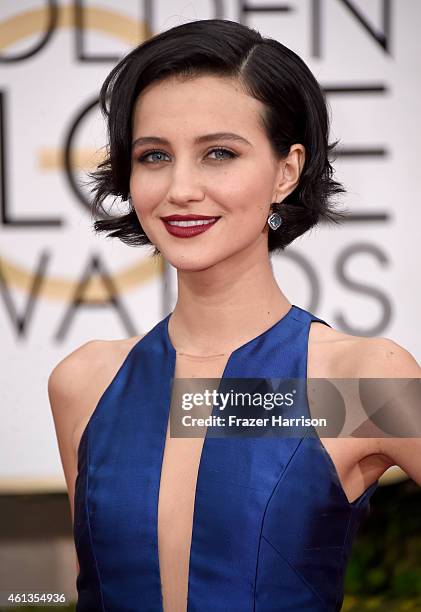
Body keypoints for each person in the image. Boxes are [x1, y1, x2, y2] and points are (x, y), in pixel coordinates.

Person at [48, 18, 421, 612]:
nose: (182, 188)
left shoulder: (356, 378)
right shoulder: (86, 382)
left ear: (285, 170)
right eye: (154, 156)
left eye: (219, 153)